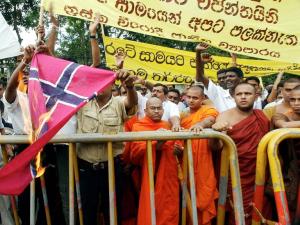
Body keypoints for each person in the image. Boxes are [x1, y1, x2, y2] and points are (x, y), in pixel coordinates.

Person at [76, 69, 138, 225]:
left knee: (112, 210)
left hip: (112, 167)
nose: (98, 85)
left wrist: (130, 87)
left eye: (103, 80)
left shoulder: (119, 102)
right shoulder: (82, 102)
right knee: (87, 211)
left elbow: (131, 103)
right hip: (85, 167)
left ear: (112, 84)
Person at [211, 83, 270, 225]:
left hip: (260, 172)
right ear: (233, 96)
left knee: (262, 210)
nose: (243, 97)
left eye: (248, 94)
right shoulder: (225, 116)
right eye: (239, 94)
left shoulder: (262, 116)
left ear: (256, 96)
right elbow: (217, 147)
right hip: (237, 174)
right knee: (239, 212)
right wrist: (215, 133)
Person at [126, 97, 181, 225]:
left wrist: (178, 149)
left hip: (167, 176)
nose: (157, 111)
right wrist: (156, 141)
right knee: (150, 205)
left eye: (159, 108)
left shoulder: (167, 125)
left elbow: (176, 146)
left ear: (163, 110)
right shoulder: (138, 126)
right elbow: (135, 154)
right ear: (145, 110)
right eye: (153, 108)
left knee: (168, 206)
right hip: (147, 174)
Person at [180, 85, 219, 225]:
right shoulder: (182, 115)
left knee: (203, 195)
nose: (191, 100)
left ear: (203, 98)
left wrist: (200, 125)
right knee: (188, 197)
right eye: (188, 97)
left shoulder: (208, 110)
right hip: (186, 161)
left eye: (195, 98)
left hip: (203, 162)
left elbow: (210, 119)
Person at [195, 43, 262, 112]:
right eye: (226, 77)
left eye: (231, 76)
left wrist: (234, 60)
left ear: (241, 79)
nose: (227, 79)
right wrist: (198, 52)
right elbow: (200, 76)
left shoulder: (253, 98)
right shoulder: (219, 93)